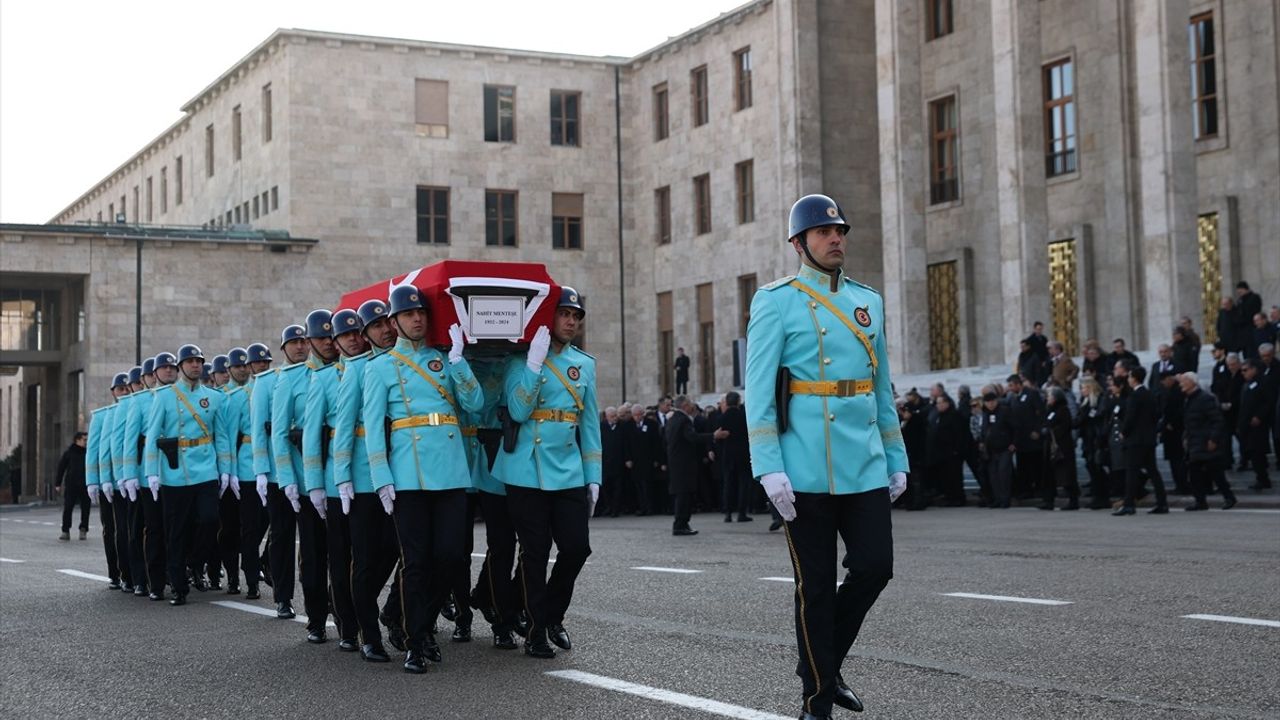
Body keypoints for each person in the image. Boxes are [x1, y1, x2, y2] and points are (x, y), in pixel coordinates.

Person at [746, 194, 907, 718]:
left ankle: (822, 661)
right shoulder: (775, 301)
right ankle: (817, 698)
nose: (836, 238)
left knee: (875, 568)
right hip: (803, 466)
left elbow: (880, 387)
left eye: (839, 230)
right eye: (823, 233)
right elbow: (760, 390)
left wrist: (895, 454)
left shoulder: (869, 301)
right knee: (814, 587)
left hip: (863, 462)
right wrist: (768, 465)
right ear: (799, 243)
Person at [362, 285, 481, 672]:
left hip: (449, 469)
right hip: (408, 475)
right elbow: (373, 426)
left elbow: (474, 405)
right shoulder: (379, 367)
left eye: (421, 313)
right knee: (416, 561)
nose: (417, 319)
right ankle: (416, 640)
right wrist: (381, 477)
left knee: (450, 556)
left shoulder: (445, 359)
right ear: (394, 322)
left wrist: (460, 362)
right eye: (408, 314)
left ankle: (419, 622)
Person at [491, 286, 601, 661]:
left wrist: (595, 474)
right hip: (526, 468)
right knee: (535, 553)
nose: (571, 322)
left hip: (568, 467)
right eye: (565, 315)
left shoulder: (584, 364)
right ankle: (536, 631)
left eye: (576, 317)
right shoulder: (518, 361)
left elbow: (588, 423)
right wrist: (534, 366)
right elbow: (519, 412)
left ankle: (551, 615)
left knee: (576, 547)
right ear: (547, 318)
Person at [333, 299, 405, 662]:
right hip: (364, 479)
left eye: (386, 324)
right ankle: (368, 634)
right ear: (365, 334)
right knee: (363, 557)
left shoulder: (404, 362)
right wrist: (342, 477)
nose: (385, 330)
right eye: (376, 327)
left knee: (396, 548)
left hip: (402, 473)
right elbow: (344, 427)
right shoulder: (359, 369)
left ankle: (371, 608)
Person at [143, 344, 230, 606]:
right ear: (181, 366)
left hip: (206, 468)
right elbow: (152, 437)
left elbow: (222, 436)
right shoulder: (165, 397)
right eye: (190, 361)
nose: (195, 365)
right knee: (176, 531)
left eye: (199, 361)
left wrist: (225, 470)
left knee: (210, 519)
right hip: (175, 471)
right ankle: (179, 586)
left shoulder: (214, 397)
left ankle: (194, 562)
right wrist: (151, 473)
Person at [302, 308, 367, 652]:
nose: (352, 340)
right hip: (334, 481)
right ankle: (346, 624)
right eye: (345, 336)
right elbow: (312, 435)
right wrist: (314, 483)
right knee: (340, 558)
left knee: (370, 555)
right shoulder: (324, 379)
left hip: (372, 477)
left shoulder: (376, 368)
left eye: (358, 333)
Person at [273, 310, 338, 643]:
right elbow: (280, 434)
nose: (328, 343)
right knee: (313, 553)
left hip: (344, 475)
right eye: (320, 338)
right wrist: (287, 479)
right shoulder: (292, 378)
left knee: (346, 552)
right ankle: (316, 615)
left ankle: (343, 610)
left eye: (331, 336)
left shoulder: (348, 370)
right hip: (306, 478)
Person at [255, 324, 309, 619]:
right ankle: (283, 597)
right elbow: (260, 430)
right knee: (282, 535)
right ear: (284, 348)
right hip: (279, 473)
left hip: (311, 471)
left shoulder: (316, 374)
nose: (300, 346)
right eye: (294, 342)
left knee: (314, 539)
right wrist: (262, 470)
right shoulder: (267, 382)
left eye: (303, 341)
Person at [221, 346, 265, 598]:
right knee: (240, 528)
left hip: (269, 469)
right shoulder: (236, 397)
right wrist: (230, 471)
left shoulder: (270, 389)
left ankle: (255, 565)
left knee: (263, 523)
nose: (243, 369)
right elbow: (229, 438)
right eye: (237, 366)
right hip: (245, 470)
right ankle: (246, 581)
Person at [85, 373, 131, 589]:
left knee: (129, 529)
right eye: (120, 389)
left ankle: (131, 571)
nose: (124, 392)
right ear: (113, 392)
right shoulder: (103, 416)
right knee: (113, 528)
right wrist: (93, 481)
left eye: (126, 388)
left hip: (131, 479)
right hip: (110, 483)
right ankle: (116, 572)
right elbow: (95, 450)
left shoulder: (134, 409)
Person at [665, 395, 726, 535]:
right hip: (684, 464)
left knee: (682, 493)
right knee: (684, 494)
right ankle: (680, 524)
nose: (692, 406)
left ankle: (682, 523)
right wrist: (713, 435)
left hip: (675, 462)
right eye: (690, 403)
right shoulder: (683, 419)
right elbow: (692, 437)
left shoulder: (672, 419)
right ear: (685, 405)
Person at [1114, 366, 1167, 515]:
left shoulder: (1134, 396)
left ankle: (1129, 504)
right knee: (1153, 471)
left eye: (1130, 377)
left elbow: (1130, 417)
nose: (1128, 379)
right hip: (1148, 439)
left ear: (1134, 378)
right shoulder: (1150, 394)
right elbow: (1156, 415)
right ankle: (1162, 503)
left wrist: (1124, 432)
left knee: (1131, 472)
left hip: (1135, 440)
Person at [1179, 373, 1236, 510]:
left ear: (1192, 382)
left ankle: (1229, 497)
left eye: (1183, 382)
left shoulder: (1205, 399)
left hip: (1206, 442)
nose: (1181, 385)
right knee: (1194, 474)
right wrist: (1186, 437)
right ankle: (1200, 501)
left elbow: (1217, 421)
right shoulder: (1188, 399)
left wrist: (1213, 439)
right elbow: (1189, 422)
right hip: (1195, 442)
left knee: (1216, 473)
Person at [1006, 374, 1045, 500]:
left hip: (1032, 437)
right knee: (1023, 466)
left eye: (1012, 385)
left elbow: (1040, 413)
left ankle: (1040, 489)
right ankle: (1026, 490)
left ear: (1018, 384)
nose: (1010, 388)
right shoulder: (1012, 398)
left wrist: (1037, 430)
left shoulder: (1031, 394)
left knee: (1036, 465)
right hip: (1020, 438)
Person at [717, 391, 753, 522]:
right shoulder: (743, 416)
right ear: (738, 402)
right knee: (743, 483)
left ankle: (728, 512)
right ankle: (742, 512)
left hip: (728, 454)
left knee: (728, 483)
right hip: (742, 453)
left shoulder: (722, 417)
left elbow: (718, 437)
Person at [1237, 359, 1273, 490]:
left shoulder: (1262, 382)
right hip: (1247, 423)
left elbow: (1268, 402)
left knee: (1257, 452)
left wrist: (1259, 416)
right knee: (1253, 452)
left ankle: (1263, 479)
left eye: (1245, 370)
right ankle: (1261, 478)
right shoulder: (1248, 383)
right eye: (1242, 371)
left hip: (1257, 424)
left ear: (1253, 369)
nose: (1243, 373)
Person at [1076, 378, 1111, 509]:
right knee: (1091, 467)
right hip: (1087, 439)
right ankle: (1098, 495)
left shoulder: (1097, 401)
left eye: (1084, 388)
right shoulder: (1084, 402)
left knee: (1096, 467)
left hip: (1095, 439)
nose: (1081, 391)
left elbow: (1096, 418)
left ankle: (1101, 496)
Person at [1042, 388, 1080, 510]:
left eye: (1050, 396)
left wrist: (1051, 432)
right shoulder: (1049, 410)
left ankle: (1073, 500)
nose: (1048, 398)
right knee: (1049, 475)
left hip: (1062, 446)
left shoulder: (1063, 410)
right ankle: (1048, 501)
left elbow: (1064, 427)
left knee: (1066, 475)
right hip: (1050, 446)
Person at [623, 404, 661, 516]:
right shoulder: (628, 425)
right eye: (635, 415)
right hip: (635, 461)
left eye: (639, 415)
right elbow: (626, 444)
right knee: (638, 486)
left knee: (647, 486)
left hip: (648, 460)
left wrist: (656, 459)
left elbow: (656, 443)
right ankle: (642, 507)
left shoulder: (651, 424)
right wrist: (627, 459)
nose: (637, 417)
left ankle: (650, 508)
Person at [56, 432, 90, 541]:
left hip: (85, 485)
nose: (86, 442)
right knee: (68, 508)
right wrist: (58, 483)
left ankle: (83, 529)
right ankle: (65, 531)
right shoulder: (69, 453)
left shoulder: (88, 453)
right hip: (71, 485)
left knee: (85, 508)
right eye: (84, 440)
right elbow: (61, 468)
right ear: (77, 440)